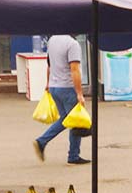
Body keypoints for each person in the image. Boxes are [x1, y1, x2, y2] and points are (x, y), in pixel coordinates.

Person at [34, 34, 90, 165]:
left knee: (65, 119)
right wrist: (79, 93)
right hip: (67, 88)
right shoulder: (72, 44)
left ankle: (42, 141)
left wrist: (48, 83)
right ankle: (73, 155)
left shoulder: (52, 40)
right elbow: (74, 69)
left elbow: (49, 65)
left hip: (54, 87)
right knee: (75, 121)